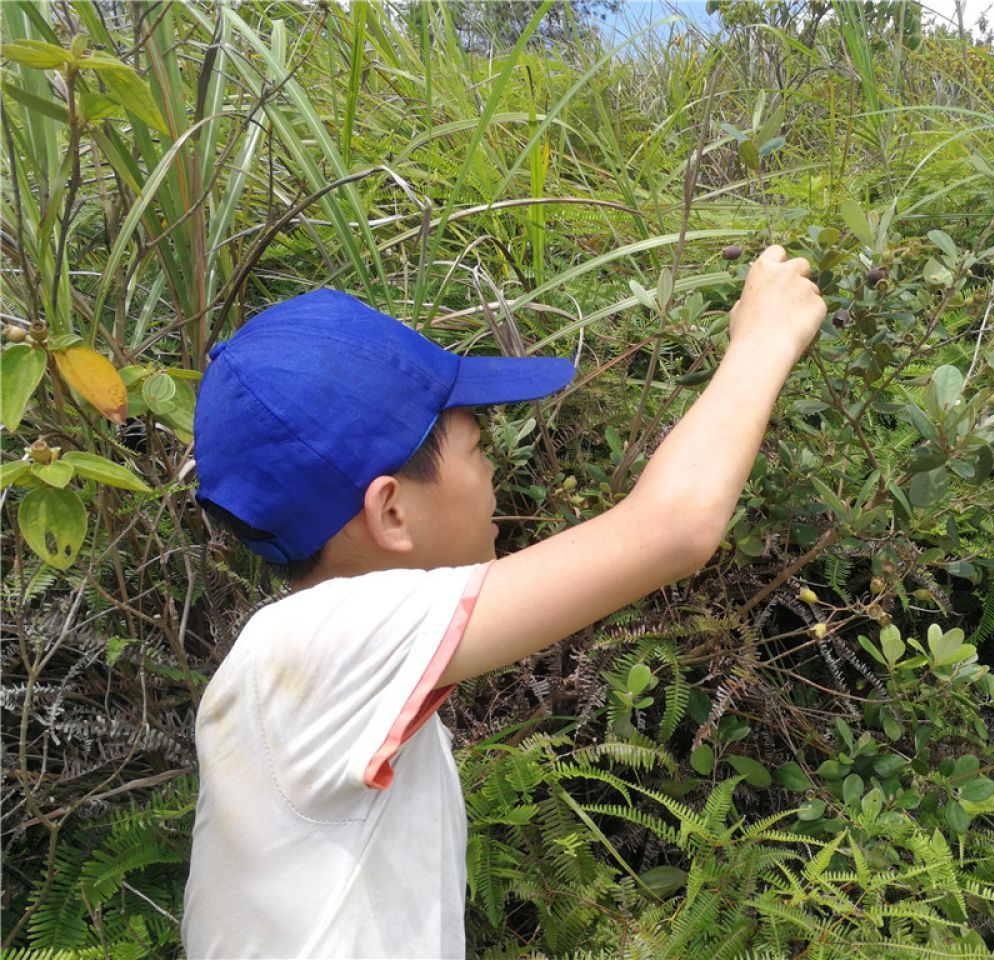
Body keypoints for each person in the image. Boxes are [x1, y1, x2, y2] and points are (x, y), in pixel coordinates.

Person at [181, 244, 827, 959]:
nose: (496, 470)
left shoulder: (318, 662)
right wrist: (765, 337)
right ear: (390, 513)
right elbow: (674, 527)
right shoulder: (316, 641)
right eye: (477, 449)